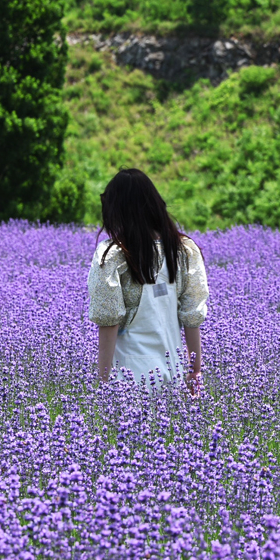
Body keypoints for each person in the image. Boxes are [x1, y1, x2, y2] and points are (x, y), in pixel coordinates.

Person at [87, 169, 208, 394]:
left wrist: (102, 382)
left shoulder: (113, 255)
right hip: (173, 374)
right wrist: (194, 372)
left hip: (127, 377)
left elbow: (109, 320)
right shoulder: (183, 251)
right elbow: (192, 316)